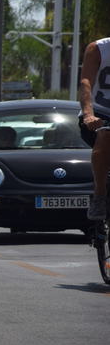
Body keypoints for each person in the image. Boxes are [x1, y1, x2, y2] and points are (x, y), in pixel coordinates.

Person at [78, 37, 110, 220]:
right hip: (100, 113)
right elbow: (86, 82)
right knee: (105, 135)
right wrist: (88, 114)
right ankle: (99, 194)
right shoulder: (98, 49)